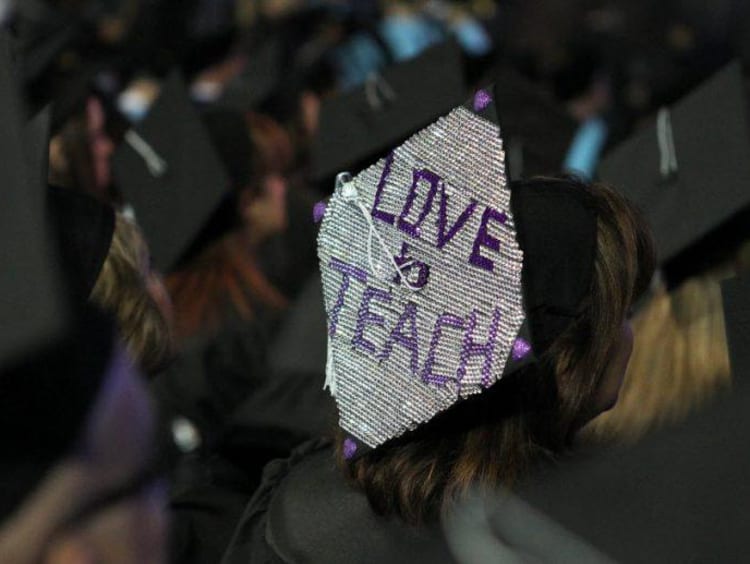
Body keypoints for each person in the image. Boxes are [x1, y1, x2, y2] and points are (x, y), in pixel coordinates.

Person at [221, 89, 654, 562]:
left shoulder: (301, 502)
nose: (631, 334)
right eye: (624, 314)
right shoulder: (552, 541)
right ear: (567, 363)